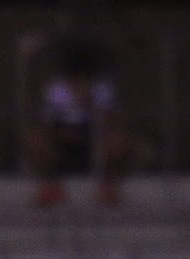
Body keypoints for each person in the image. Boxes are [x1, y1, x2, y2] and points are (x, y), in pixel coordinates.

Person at [25, 38, 131, 206]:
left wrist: (88, 103)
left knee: (117, 141)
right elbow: (46, 121)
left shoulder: (102, 87)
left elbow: (112, 119)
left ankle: (108, 188)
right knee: (36, 139)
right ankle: (51, 187)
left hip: (94, 134)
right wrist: (61, 131)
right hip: (64, 133)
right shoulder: (57, 89)